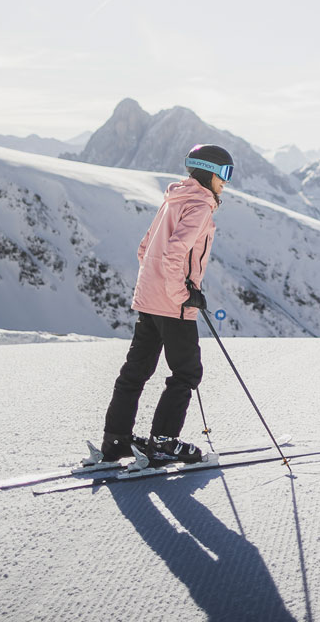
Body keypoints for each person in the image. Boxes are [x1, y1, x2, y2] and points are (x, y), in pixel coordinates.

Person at [98, 144, 235, 463]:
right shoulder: (199, 205)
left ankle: (115, 439)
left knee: (136, 371)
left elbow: (145, 250)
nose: (226, 182)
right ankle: (163, 441)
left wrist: (161, 289)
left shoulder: (173, 199)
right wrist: (183, 294)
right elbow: (174, 253)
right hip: (173, 304)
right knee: (187, 372)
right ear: (209, 171)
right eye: (225, 174)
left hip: (148, 299)